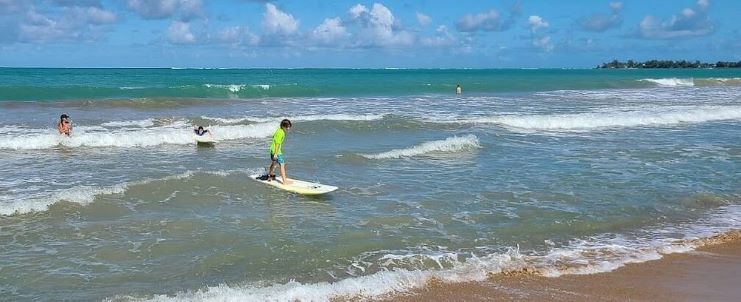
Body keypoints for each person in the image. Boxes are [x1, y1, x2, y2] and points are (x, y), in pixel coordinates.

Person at [264, 119, 292, 185]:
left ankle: (270, 176)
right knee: (282, 164)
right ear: (283, 126)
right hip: (277, 152)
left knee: (274, 163)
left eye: (289, 126)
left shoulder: (278, 130)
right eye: (287, 127)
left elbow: (274, 137)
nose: (288, 128)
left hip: (272, 150)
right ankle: (284, 181)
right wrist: (276, 154)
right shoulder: (281, 132)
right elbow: (277, 143)